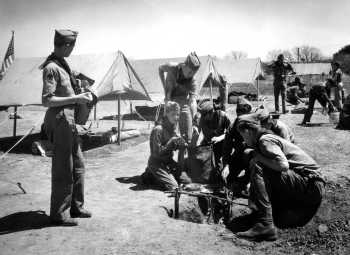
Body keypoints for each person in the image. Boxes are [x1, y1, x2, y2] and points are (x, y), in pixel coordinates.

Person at [234, 120, 325, 241]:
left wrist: (257, 157)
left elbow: (283, 166)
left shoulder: (265, 141)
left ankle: (266, 224)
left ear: (248, 131)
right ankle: (266, 215)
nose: (243, 140)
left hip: (311, 185)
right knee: (260, 165)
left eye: (242, 136)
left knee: (258, 166)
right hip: (309, 183)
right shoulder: (265, 140)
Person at [41, 30, 93, 226]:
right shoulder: (51, 68)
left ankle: (76, 207)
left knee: (78, 165)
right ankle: (59, 214)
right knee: (64, 168)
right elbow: (47, 100)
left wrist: (81, 89)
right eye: (72, 46)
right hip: (60, 121)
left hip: (70, 122)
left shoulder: (63, 65)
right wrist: (76, 98)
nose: (72, 50)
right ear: (66, 46)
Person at [158, 53, 201, 168]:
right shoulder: (172, 67)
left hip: (184, 103)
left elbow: (192, 102)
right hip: (170, 101)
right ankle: (165, 164)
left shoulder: (193, 81)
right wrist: (164, 87)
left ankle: (180, 169)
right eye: (190, 72)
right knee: (166, 134)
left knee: (186, 138)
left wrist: (195, 121)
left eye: (194, 73)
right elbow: (160, 69)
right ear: (185, 66)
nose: (191, 75)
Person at [141, 102, 189, 191]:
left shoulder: (172, 128)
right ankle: (151, 175)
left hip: (168, 162)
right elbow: (157, 153)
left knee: (187, 181)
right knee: (174, 187)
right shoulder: (158, 129)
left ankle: (153, 175)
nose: (176, 117)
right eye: (173, 114)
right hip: (157, 163)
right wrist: (171, 141)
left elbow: (173, 147)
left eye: (178, 115)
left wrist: (181, 144)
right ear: (166, 114)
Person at [197, 100, 231, 169]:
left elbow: (230, 132)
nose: (203, 117)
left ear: (211, 112)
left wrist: (219, 138)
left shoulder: (223, 116)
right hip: (207, 143)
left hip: (220, 144)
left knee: (218, 165)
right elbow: (196, 134)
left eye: (204, 115)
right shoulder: (201, 118)